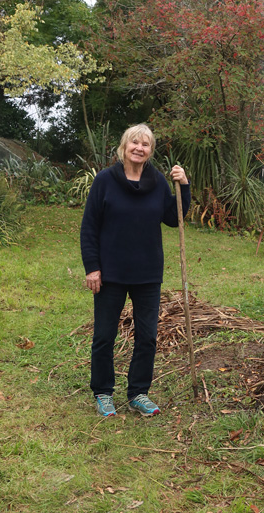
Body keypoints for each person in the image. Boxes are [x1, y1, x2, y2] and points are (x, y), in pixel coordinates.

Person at [80, 123, 190, 417]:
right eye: (135, 143)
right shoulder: (105, 181)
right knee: (104, 336)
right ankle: (103, 392)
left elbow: (173, 218)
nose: (140, 148)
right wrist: (92, 268)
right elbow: (89, 227)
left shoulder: (158, 182)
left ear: (151, 151)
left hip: (147, 274)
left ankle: (138, 392)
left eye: (146, 144)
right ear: (124, 146)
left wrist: (184, 186)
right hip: (111, 273)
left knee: (148, 337)